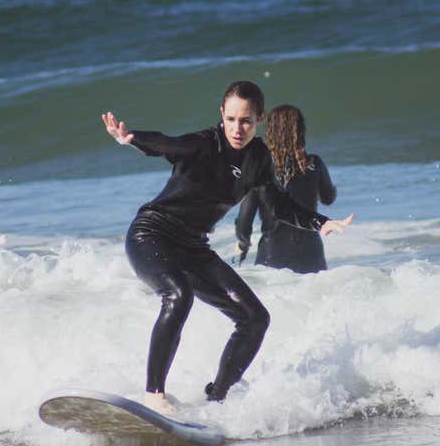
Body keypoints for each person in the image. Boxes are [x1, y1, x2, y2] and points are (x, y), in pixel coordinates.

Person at [102, 81, 353, 414]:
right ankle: (154, 395)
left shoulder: (259, 157)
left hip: (193, 247)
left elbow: (277, 204)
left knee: (255, 318)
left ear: (259, 119)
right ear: (222, 114)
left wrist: (321, 222)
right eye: (231, 119)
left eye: (246, 121)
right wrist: (130, 137)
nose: (238, 128)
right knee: (178, 295)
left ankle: (216, 399)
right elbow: (167, 144)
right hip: (152, 234)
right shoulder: (205, 144)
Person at [235, 105, 336, 273]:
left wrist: (243, 245)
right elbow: (328, 198)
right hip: (311, 255)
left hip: (272, 256)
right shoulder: (314, 164)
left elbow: (244, 222)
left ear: (270, 131)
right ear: (300, 130)